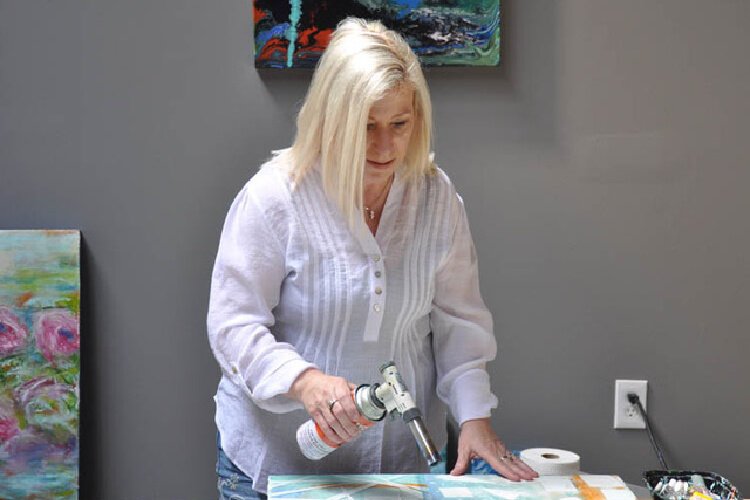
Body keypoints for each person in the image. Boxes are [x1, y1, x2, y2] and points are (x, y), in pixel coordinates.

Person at [207, 17, 538, 499]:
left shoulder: (435, 198)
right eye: (366, 127)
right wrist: (305, 382)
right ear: (330, 121)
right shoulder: (275, 198)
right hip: (275, 465)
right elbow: (233, 325)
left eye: (399, 124)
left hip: (397, 466)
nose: (385, 147)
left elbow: (459, 324)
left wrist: (474, 419)